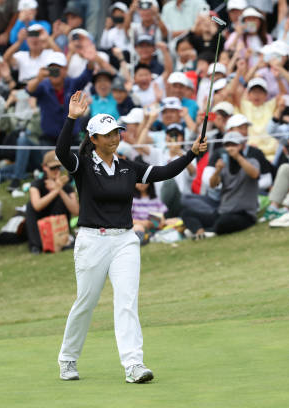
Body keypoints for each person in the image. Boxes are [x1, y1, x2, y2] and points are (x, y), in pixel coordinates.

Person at [56, 91, 208, 383]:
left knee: (126, 301)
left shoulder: (127, 166)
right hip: (91, 241)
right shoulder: (83, 165)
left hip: (125, 240)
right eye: (107, 134)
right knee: (85, 302)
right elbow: (63, 153)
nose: (114, 137)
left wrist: (191, 154)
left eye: (116, 132)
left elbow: (163, 172)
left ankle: (133, 364)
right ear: (94, 139)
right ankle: (68, 358)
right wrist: (71, 118)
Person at [181, 131, 260, 237]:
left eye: (234, 145)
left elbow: (254, 174)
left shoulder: (252, 161)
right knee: (186, 213)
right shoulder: (224, 165)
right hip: (222, 212)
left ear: (241, 146)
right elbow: (213, 185)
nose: (230, 148)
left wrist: (238, 157)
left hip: (244, 214)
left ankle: (205, 231)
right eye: (228, 145)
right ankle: (200, 231)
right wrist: (217, 171)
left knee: (223, 222)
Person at [25, 150, 79, 254]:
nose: (56, 171)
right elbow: (36, 206)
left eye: (58, 167)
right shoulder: (37, 184)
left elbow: (76, 211)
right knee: (30, 205)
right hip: (41, 224)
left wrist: (60, 190)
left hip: (59, 226)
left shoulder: (66, 187)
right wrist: (56, 190)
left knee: (61, 200)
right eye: (53, 168)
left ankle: (61, 240)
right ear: (44, 167)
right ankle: (36, 245)